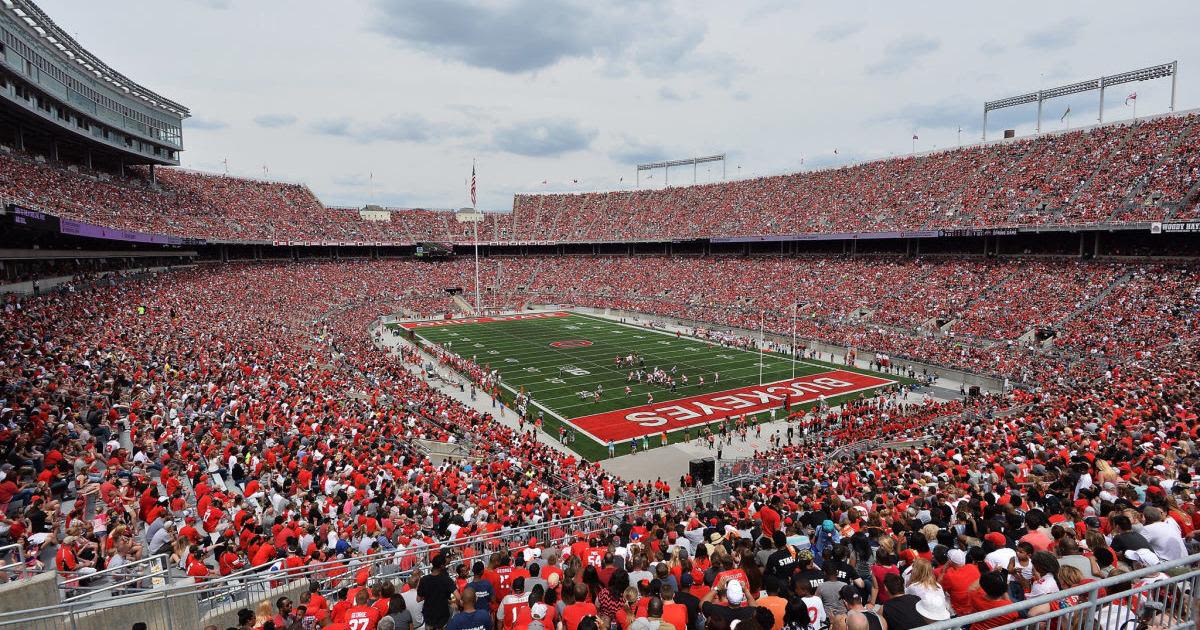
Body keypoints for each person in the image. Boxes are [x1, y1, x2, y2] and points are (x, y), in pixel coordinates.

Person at [419, 554, 458, 630]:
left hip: (429, 616)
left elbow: (419, 599)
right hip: (442, 616)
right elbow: (458, 596)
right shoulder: (447, 579)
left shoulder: (424, 579)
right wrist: (451, 602)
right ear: (442, 566)